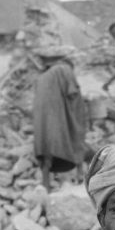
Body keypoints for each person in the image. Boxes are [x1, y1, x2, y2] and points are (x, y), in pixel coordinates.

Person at [33, 59, 87, 191]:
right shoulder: (64, 69)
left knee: (46, 143)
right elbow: (73, 94)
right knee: (76, 131)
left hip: (41, 117)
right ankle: (80, 175)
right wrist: (81, 114)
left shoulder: (42, 78)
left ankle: (45, 182)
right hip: (56, 112)